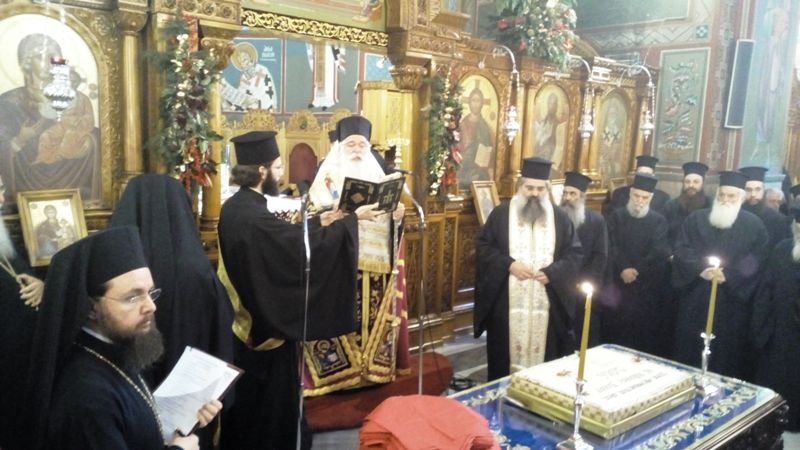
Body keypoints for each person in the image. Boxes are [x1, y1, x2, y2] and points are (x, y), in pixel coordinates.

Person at [217, 130, 379, 449]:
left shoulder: (238, 206)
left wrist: (323, 222)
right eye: (277, 168)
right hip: (264, 335)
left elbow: (284, 238)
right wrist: (350, 223)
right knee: (268, 417)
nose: (281, 175)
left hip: (247, 321)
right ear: (262, 171)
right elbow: (291, 249)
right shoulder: (252, 216)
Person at [26, 226, 220, 450]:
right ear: (91, 308)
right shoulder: (87, 396)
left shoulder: (120, 345)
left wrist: (182, 417)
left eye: (150, 292)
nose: (151, 306)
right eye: (133, 298)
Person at [109, 174, 235, 447]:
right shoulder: (198, 271)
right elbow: (222, 333)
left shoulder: (118, 274)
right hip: (191, 407)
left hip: (129, 402)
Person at [306, 115, 409, 395]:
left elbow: (390, 222)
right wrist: (348, 216)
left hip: (376, 262)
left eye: (362, 145)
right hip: (340, 262)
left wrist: (397, 217)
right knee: (345, 314)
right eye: (351, 144)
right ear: (340, 146)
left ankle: (371, 371)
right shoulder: (326, 179)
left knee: (372, 316)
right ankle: (341, 375)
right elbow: (314, 220)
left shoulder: (379, 176)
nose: (356, 150)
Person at [475, 157, 582, 380]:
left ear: (547, 189)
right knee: (503, 362)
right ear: (520, 187)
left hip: (548, 303)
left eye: (540, 189)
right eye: (530, 188)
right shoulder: (501, 214)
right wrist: (509, 264)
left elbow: (574, 254)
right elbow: (483, 248)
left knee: (547, 364)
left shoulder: (560, 218)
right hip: (506, 303)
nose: (535, 193)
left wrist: (553, 273)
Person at [672, 171, 769, 379]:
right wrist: (700, 269)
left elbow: (756, 260)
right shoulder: (696, 219)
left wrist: (731, 276)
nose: (725, 200)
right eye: (722, 195)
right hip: (697, 297)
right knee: (690, 349)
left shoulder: (754, 225)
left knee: (726, 354)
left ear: (741, 197)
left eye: (731, 196)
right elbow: (682, 249)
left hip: (731, 304)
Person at [0, 34, 99, 210]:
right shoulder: (8, 102)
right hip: (22, 197)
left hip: (73, 187)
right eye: (40, 57)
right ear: (27, 62)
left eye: (52, 57)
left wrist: (89, 143)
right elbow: (3, 145)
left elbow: (95, 133)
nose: (47, 63)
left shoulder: (77, 99)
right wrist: (19, 140)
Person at [601, 174, 672, 357]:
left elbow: (658, 251)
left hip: (645, 286)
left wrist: (636, 270)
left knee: (642, 331)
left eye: (644, 198)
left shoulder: (659, 221)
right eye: (636, 196)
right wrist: (624, 268)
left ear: (650, 198)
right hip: (619, 284)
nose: (640, 201)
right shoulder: (616, 216)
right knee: (616, 327)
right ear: (630, 195)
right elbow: (611, 245)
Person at [0, 175, 44, 450]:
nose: (2, 200)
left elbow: (22, 274)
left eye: (1, 189)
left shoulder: (4, 238)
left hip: (23, 367)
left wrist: (41, 286)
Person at [752, 207, 800, 432]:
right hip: (780, 331)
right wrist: (762, 328)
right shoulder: (782, 249)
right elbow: (765, 289)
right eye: (798, 228)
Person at [560, 172, 607, 345]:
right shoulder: (556, 217)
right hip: (559, 283)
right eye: (565, 193)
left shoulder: (596, 221)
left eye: (573, 194)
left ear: (582, 196)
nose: (567, 198)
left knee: (582, 330)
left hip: (583, 287)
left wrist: (585, 281)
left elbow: (600, 255)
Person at [662, 162, 712, 249]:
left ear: (703, 183)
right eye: (687, 182)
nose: (691, 185)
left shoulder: (711, 205)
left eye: (696, 182)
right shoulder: (671, 206)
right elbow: (664, 235)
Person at [739, 166, 791, 249]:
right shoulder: (734, 215)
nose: (753, 195)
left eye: (757, 189)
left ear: (763, 190)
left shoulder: (777, 219)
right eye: (748, 190)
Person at [603, 155, 670, 216]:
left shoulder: (663, 198)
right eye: (640, 173)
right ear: (635, 174)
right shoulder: (619, 193)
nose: (643, 177)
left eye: (647, 174)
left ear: (653, 175)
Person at [458, 87, 495, 186]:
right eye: (473, 100)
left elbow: (491, 150)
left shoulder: (486, 128)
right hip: (464, 168)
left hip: (480, 171)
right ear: (469, 102)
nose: (475, 104)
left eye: (478, 101)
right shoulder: (462, 125)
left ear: (482, 103)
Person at [534, 92, 567, 170]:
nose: (551, 106)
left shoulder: (558, 125)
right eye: (549, 103)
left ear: (556, 106)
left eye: (553, 104)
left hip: (549, 160)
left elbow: (558, 147)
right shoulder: (543, 122)